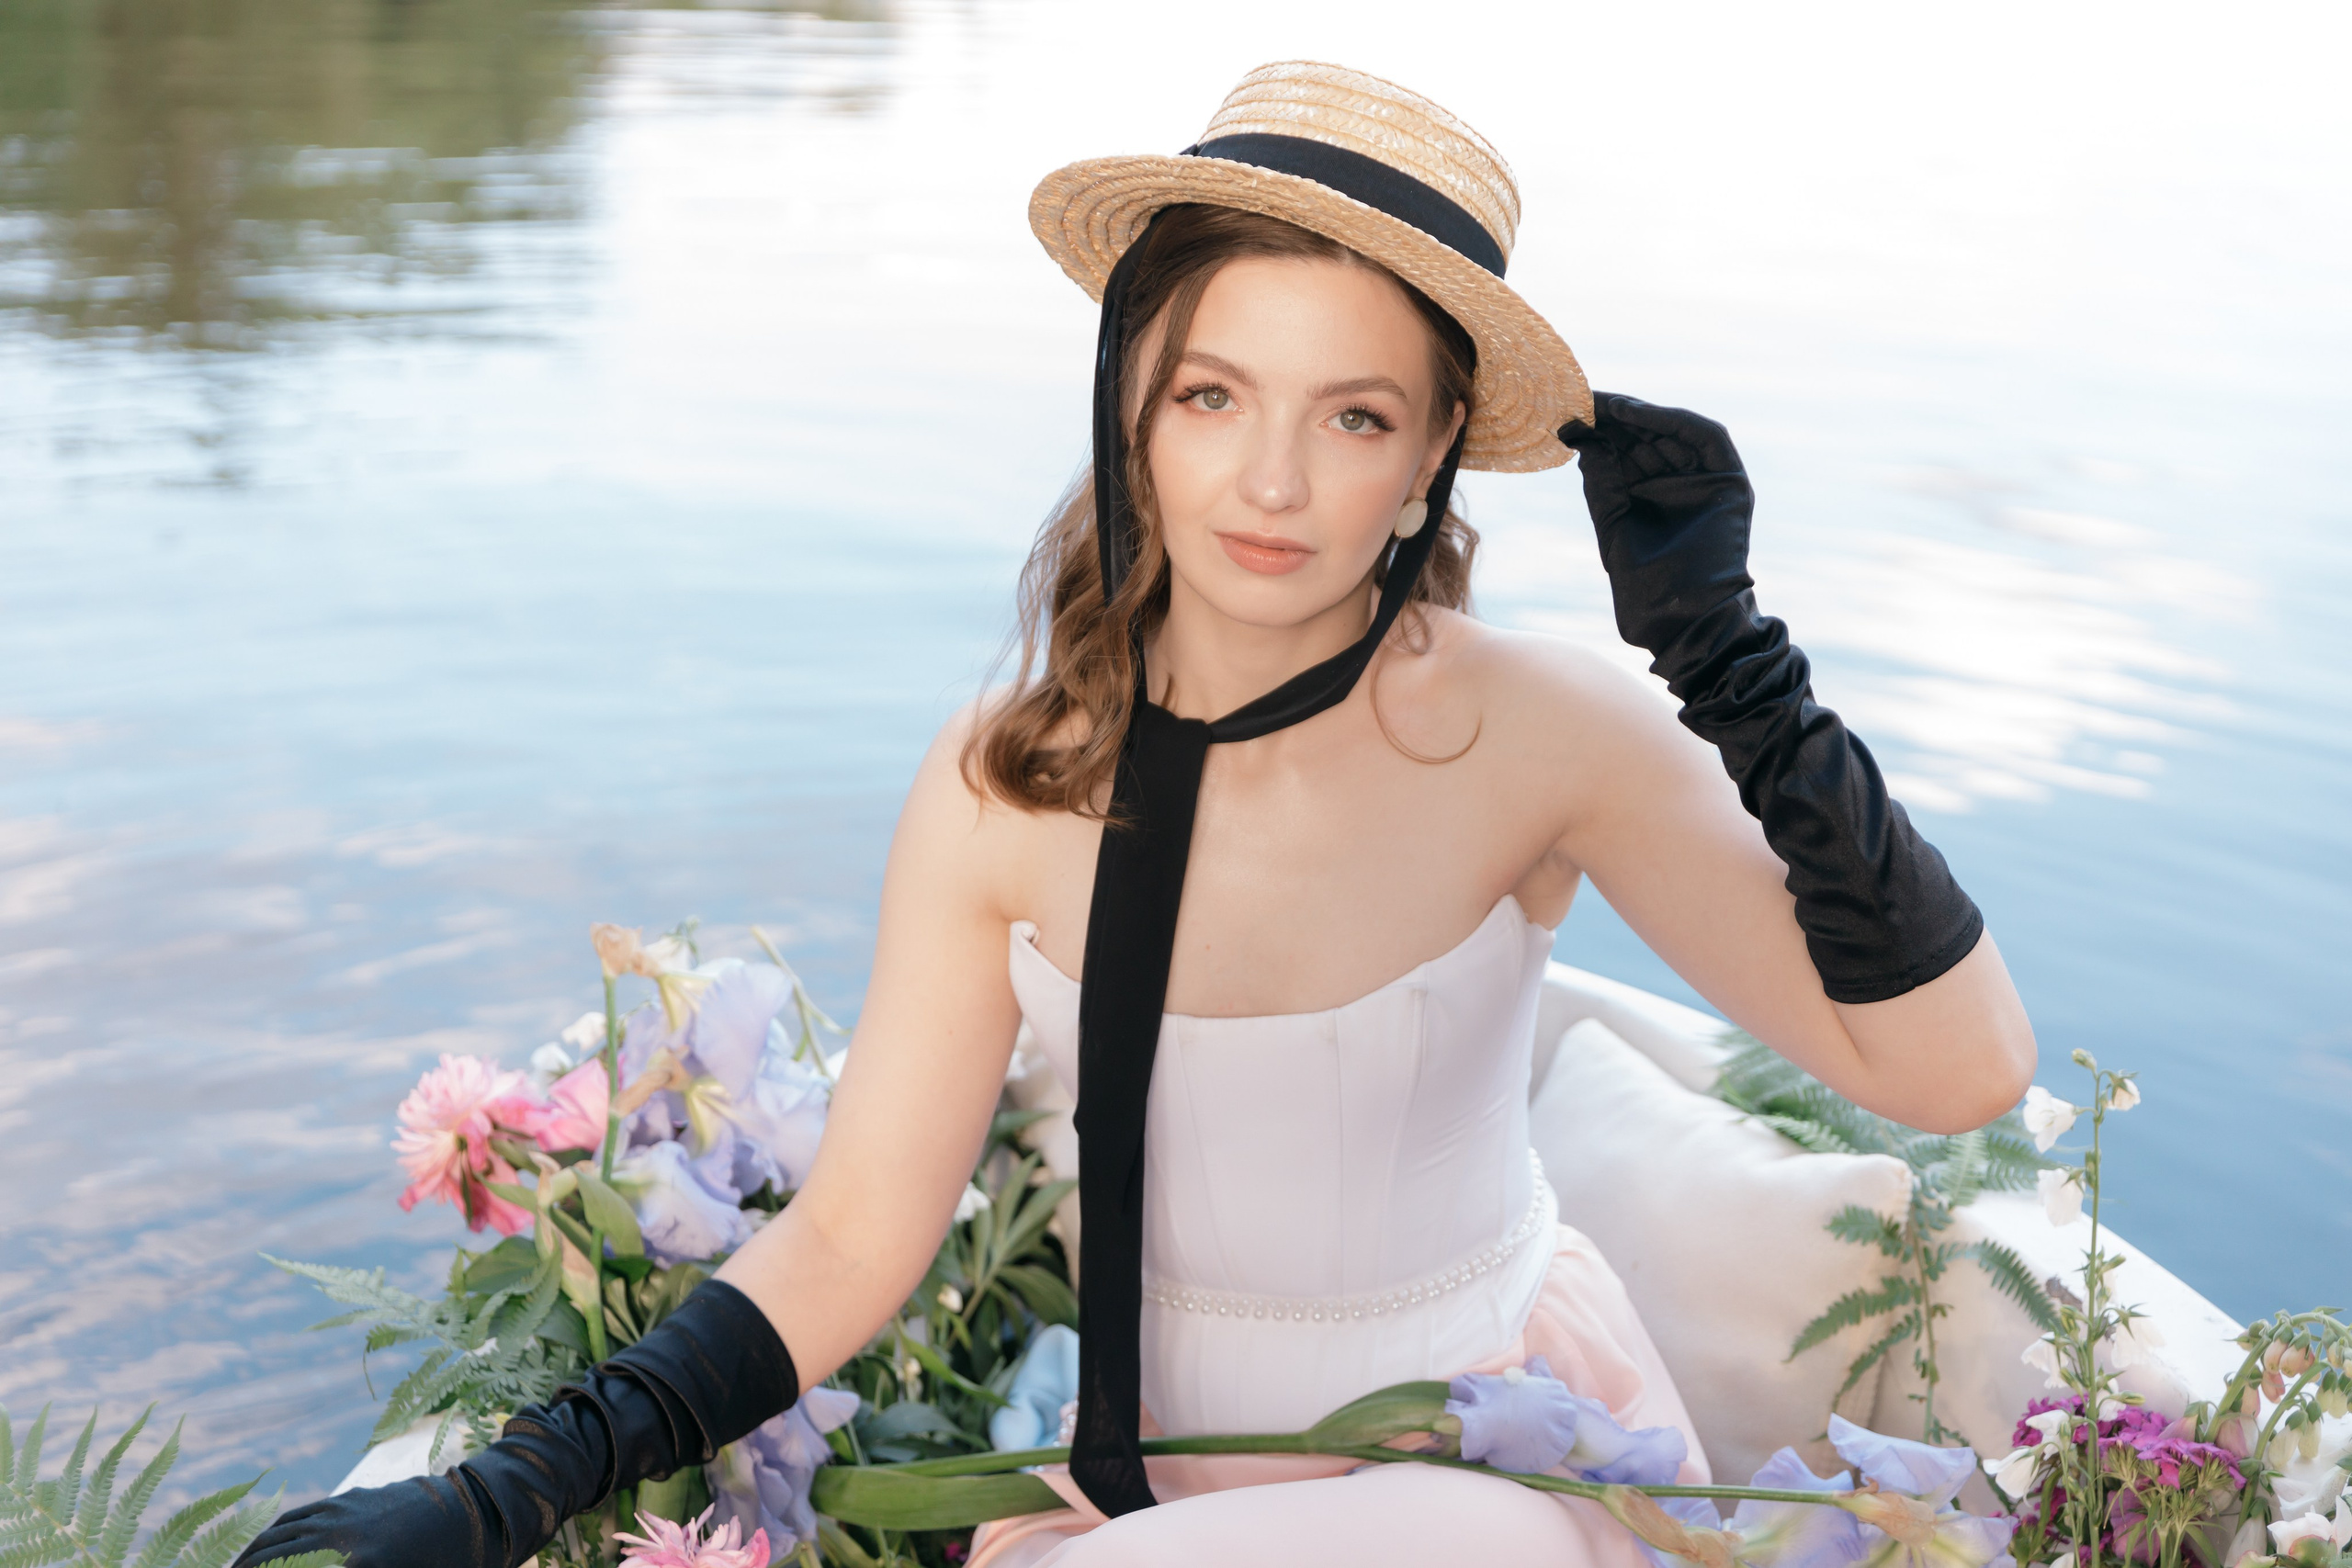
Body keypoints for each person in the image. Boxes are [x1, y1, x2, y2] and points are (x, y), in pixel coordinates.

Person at [235, 60, 2036, 1568]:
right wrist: (513, 1485)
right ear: (1132, 402)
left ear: (1430, 454)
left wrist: (1732, 664)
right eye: (1212, 394)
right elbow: (855, 1233)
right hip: (1151, 1479)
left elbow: (1957, 1074)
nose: (1270, 480)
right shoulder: (1002, 780)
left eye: (1352, 417)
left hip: (1484, 1460)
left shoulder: (1541, 735)